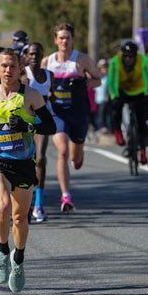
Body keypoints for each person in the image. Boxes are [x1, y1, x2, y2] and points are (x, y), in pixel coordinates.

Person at [0, 48, 55, 293]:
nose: (8, 71)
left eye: (12, 66)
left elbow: (49, 126)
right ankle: (2, 250)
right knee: (3, 205)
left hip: (24, 163)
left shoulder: (31, 96)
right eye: (3, 66)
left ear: (20, 69)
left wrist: (27, 122)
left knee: (19, 217)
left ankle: (18, 260)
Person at [42, 23, 101, 213]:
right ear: (55, 40)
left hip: (78, 112)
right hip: (57, 112)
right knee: (63, 152)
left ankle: (79, 155)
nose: (64, 41)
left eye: (67, 37)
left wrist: (83, 83)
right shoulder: (47, 62)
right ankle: (66, 196)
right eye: (61, 38)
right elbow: (40, 84)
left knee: (75, 155)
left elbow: (98, 79)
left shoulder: (82, 60)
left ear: (72, 39)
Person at [107, 41, 148, 165]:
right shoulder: (115, 62)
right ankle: (118, 132)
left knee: (142, 121)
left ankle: (143, 151)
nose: (128, 59)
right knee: (115, 109)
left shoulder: (142, 60)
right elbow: (111, 81)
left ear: (135, 55)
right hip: (122, 91)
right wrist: (113, 96)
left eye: (131, 56)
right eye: (126, 56)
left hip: (139, 92)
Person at [23, 43, 54, 222]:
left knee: (40, 158)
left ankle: (38, 205)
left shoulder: (49, 75)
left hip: (43, 119)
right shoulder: (22, 74)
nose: (34, 56)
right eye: (31, 54)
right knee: (26, 160)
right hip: (26, 119)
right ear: (27, 56)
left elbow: (54, 97)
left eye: (38, 53)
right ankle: (24, 199)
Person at [94, 59, 112, 133]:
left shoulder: (109, 77)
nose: (104, 69)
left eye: (106, 67)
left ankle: (108, 129)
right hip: (97, 99)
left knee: (107, 116)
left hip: (106, 99)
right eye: (102, 67)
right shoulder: (97, 77)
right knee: (99, 115)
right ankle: (99, 129)